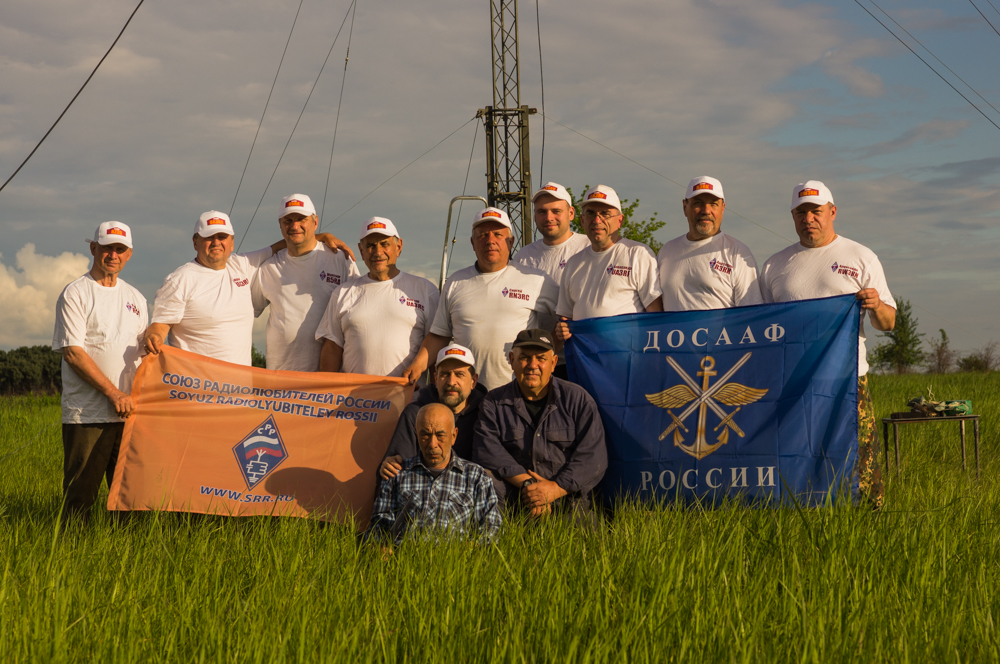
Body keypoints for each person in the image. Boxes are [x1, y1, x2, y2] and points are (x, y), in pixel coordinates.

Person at [759, 180, 895, 508]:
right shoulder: (774, 266)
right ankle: (801, 519)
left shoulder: (861, 257)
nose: (809, 219)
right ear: (793, 217)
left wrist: (875, 305)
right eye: (801, 212)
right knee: (796, 458)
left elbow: (888, 323)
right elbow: (766, 329)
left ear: (832, 212)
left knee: (860, 459)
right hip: (792, 384)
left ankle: (870, 522)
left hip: (847, 383)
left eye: (816, 211)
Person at [143, 209, 351, 366]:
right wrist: (154, 337)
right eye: (208, 237)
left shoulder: (241, 264)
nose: (216, 243)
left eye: (222, 237)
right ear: (195, 242)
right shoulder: (180, 278)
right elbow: (160, 325)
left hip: (239, 395)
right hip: (195, 390)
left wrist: (322, 237)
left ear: (232, 243)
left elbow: (287, 243)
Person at [52, 221, 147, 523]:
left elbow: (145, 354)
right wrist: (113, 393)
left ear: (129, 254)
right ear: (94, 249)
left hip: (130, 415)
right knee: (81, 495)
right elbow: (73, 353)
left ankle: (128, 557)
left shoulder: (137, 298)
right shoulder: (76, 293)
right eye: (107, 248)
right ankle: (71, 555)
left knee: (130, 498)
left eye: (120, 249)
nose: (113, 255)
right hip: (88, 415)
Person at [403, 207, 559, 391]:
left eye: (498, 235)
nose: (490, 241)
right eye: (482, 235)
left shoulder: (536, 280)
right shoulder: (456, 281)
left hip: (517, 393)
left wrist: (547, 353)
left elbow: (567, 320)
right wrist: (417, 365)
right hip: (467, 395)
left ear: (510, 241)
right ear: (472, 242)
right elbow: (440, 335)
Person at [473, 329, 607, 517]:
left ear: (553, 363)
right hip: (518, 496)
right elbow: (487, 452)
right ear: (511, 360)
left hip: (566, 497)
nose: (532, 365)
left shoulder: (578, 399)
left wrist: (554, 489)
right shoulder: (493, 403)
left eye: (541, 358)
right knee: (486, 478)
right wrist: (531, 487)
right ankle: (495, 538)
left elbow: (593, 458)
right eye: (525, 357)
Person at [316, 217, 438, 376]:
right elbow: (332, 348)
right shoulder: (342, 293)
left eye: (384, 244)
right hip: (352, 400)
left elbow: (435, 347)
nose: (378, 252)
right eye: (371, 246)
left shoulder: (426, 290)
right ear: (361, 251)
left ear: (399, 246)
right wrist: (326, 392)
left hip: (408, 398)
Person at [251, 194, 359, 371]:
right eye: (288, 220)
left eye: (302, 219)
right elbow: (248, 312)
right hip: (281, 377)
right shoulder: (268, 267)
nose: (295, 226)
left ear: (315, 222)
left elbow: (356, 311)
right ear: (280, 225)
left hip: (331, 378)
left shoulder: (340, 260)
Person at [366, 403, 502, 544]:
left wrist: (468, 551)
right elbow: (378, 526)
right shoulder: (397, 474)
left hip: (456, 562)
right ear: (416, 433)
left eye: (440, 435)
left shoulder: (476, 477)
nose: (432, 443)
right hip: (404, 560)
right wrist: (381, 546)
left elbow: (491, 529)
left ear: (454, 435)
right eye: (425, 435)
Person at [554, 185, 662, 343]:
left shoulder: (637, 254)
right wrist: (562, 329)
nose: (597, 220)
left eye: (605, 213)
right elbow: (565, 316)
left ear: (620, 221)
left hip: (627, 359)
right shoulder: (573, 263)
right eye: (591, 213)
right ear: (582, 220)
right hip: (586, 362)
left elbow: (656, 315)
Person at [514, 181, 591, 378]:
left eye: (556, 211)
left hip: (584, 358)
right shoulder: (523, 256)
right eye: (541, 212)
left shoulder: (588, 247)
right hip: (540, 364)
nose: (549, 218)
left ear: (571, 213)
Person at [379, 343, 487, 479]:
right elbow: (398, 463)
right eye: (445, 374)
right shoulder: (414, 413)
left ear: (473, 381)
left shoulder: (486, 414)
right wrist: (389, 466)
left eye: (459, 375)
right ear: (435, 379)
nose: (451, 381)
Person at [657, 176, 762, 311]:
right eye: (698, 203)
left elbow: (751, 313)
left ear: (722, 208)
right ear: (685, 207)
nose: (706, 211)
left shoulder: (738, 253)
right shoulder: (667, 251)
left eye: (713, 204)